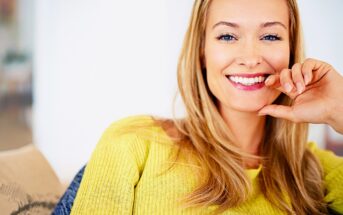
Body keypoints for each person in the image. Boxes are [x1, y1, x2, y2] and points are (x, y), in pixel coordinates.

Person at [69, 0, 343, 214]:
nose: (250, 58)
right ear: (202, 51)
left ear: (292, 51)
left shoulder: (317, 171)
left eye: (270, 37)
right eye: (227, 36)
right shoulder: (132, 142)